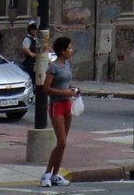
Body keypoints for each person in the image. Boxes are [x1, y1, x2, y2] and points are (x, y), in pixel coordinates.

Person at [40, 35, 79, 188]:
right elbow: (46, 88)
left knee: (63, 144)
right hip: (56, 106)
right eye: (69, 48)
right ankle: (46, 174)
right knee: (61, 142)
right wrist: (66, 93)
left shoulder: (68, 64)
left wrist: (73, 90)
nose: (71, 50)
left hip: (67, 105)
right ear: (62, 51)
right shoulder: (53, 67)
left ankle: (56, 175)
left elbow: (66, 84)